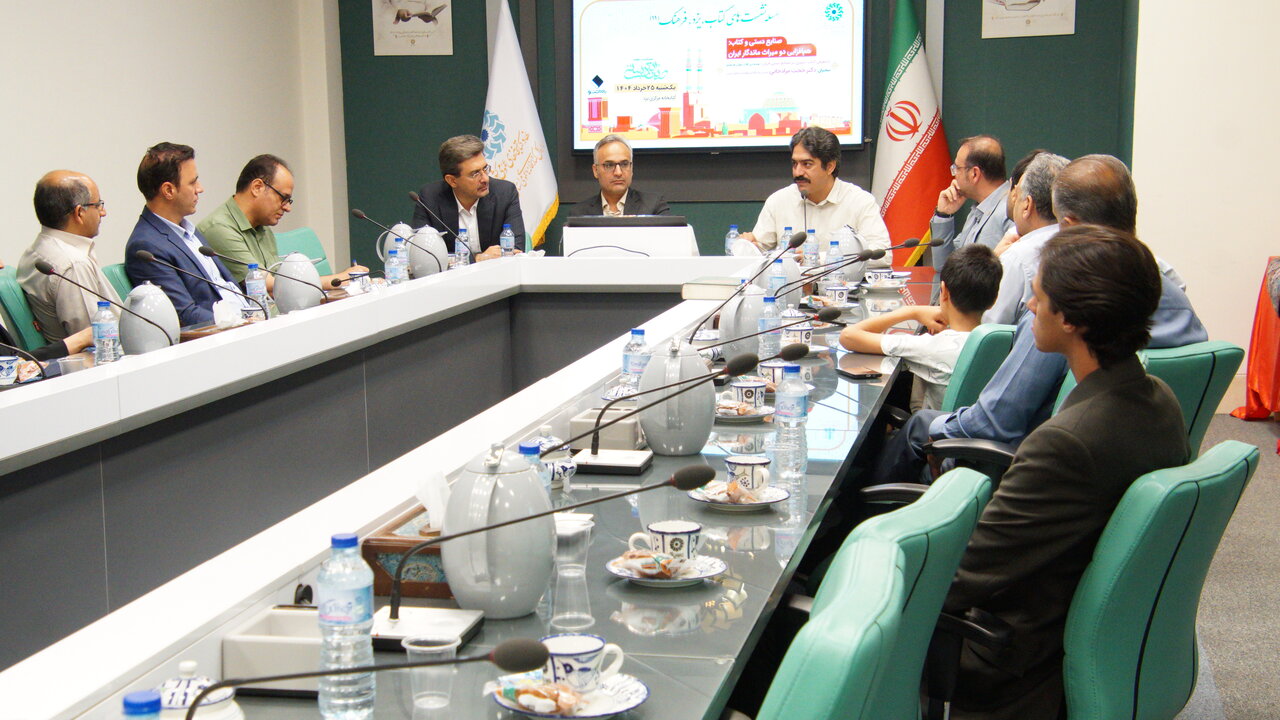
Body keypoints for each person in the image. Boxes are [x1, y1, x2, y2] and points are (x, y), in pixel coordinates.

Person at [942, 225, 1189, 719]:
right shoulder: (1160, 400)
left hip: (1013, 663)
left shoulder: (1066, 443)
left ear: (1071, 318)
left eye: (1038, 296)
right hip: (1082, 641)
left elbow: (957, 579)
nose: (1028, 305)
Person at [869, 153, 1207, 486]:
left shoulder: (1062, 309)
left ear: (1068, 227)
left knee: (918, 428)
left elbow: (996, 420)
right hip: (1137, 473)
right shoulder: (1170, 292)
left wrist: (938, 427)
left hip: (1032, 469)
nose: (1032, 304)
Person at [840, 244, 1002, 409]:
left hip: (935, 424)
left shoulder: (933, 345)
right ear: (994, 299)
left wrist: (911, 311)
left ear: (944, 291)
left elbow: (848, 336)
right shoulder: (1000, 340)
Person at [198, 154, 366, 289]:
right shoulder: (219, 228)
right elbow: (266, 285)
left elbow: (280, 282)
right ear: (257, 187)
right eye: (283, 198)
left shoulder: (262, 228)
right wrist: (340, 279)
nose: (287, 208)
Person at [124, 142, 247, 327]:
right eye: (192, 182)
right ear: (168, 190)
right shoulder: (146, 246)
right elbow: (185, 315)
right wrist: (242, 324)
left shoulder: (189, 230)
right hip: (223, 333)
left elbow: (226, 285)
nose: (200, 188)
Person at [740, 126, 890, 267]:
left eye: (807, 164)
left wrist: (820, 258)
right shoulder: (778, 201)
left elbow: (883, 255)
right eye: (794, 164)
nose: (797, 172)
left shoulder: (859, 201)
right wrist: (750, 247)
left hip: (842, 285)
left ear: (830, 166)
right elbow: (760, 250)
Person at [18, 170, 121, 343]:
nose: (103, 212)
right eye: (98, 205)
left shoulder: (36, 250)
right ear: (79, 212)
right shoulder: (73, 265)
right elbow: (97, 340)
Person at [983, 151, 1068, 324]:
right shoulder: (1081, 244)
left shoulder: (1017, 258)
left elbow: (987, 328)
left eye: (1017, 194)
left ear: (1027, 205)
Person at [411, 134, 524, 261]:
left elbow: (516, 250)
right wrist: (478, 259)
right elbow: (423, 256)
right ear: (452, 180)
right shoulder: (429, 199)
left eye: (485, 169)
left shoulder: (505, 193)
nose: (485, 179)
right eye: (475, 174)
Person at [931, 135, 1013, 271]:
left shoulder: (1010, 212)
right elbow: (944, 266)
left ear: (974, 174)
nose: (954, 174)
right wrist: (944, 215)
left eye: (957, 168)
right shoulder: (977, 210)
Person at [0, 257, 92, 362]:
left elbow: (12, 360)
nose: (1, 265)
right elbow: (11, 365)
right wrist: (81, 339)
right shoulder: (72, 266)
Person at [574, 135, 669, 216]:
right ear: (595, 170)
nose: (618, 173)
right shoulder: (579, 213)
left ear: (631, 168)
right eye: (609, 165)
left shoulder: (654, 206)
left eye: (624, 164)